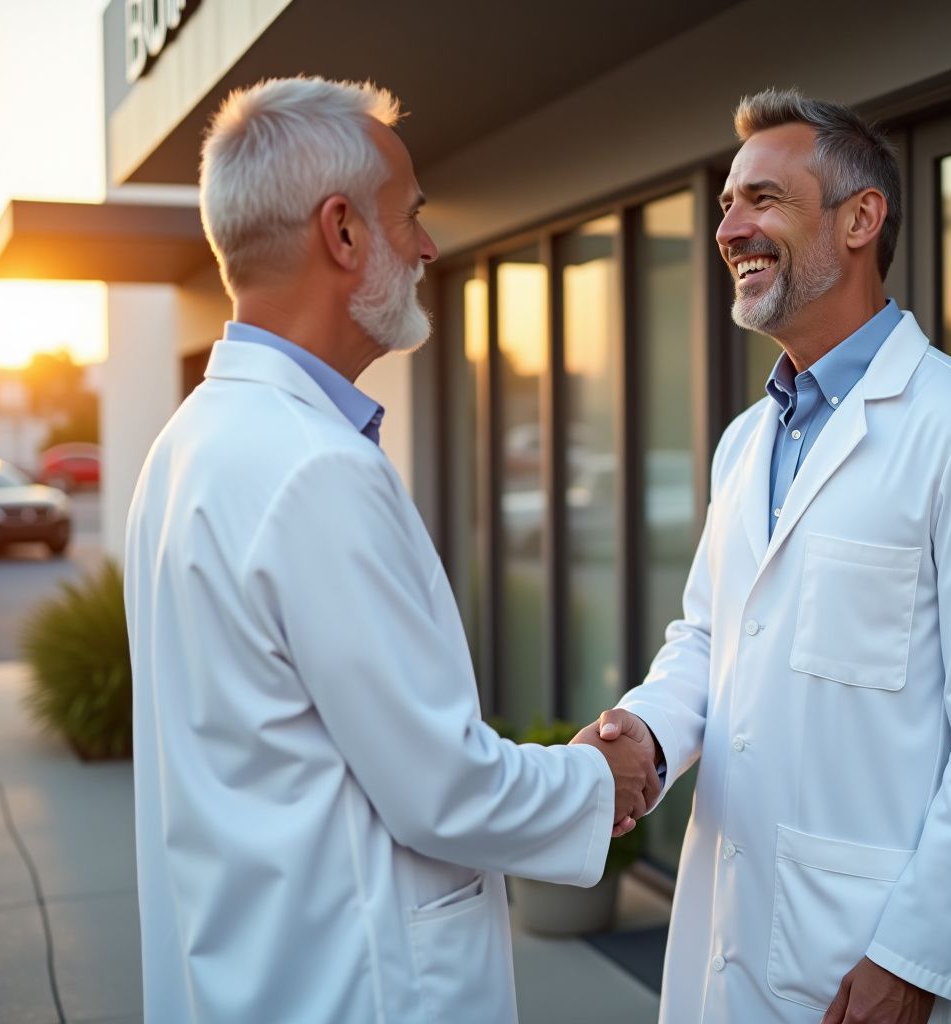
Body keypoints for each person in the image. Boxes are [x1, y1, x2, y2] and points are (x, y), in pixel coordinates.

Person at [123, 77, 658, 1023]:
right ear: (341, 232)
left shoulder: (187, 445)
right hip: (358, 990)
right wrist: (597, 778)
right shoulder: (311, 470)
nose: (426, 246)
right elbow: (441, 790)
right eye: (409, 215)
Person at [588, 88, 951, 1024]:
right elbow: (707, 635)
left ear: (861, 219)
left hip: (867, 951)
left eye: (762, 200)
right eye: (726, 204)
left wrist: (918, 955)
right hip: (729, 935)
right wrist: (645, 732)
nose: (729, 228)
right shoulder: (744, 444)